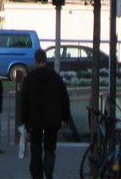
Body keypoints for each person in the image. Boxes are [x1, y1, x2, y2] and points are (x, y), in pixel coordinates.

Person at [20, 48, 72, 179]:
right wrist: (66, 116)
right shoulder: (55, 77)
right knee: (50, 147)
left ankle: (36, 173)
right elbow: (64, 98)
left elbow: (24, 101)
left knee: (35, 147)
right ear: (46, 59)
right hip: (52, 119)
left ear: (36, 60)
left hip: (34, 119)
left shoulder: (29, 79)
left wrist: (24, 120)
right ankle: (48, 168)